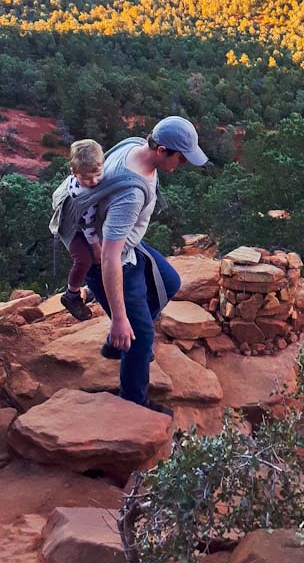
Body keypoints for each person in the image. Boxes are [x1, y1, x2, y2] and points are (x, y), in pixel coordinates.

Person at [84, 116, 209, 415]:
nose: (183, 164)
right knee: (141, 338)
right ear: (162, 149)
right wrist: (118, 318)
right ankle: (133, 403)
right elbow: (109, 257)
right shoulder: (131, 192)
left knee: (170, 283)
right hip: (115, 262)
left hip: (128, 247)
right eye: (180, 157)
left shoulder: (135, 146)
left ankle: (123, 343)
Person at [60, 139, 104, 322]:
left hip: (87, 224)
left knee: (101, 255)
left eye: (97, 175)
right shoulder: (81, 194)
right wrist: (96, 248)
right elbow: (87, 226)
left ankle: (93, 290)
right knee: (85, 259)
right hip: (74, 228)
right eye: (86, 178)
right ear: (74, 172)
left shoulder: (93, 174)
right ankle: (71, 294)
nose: (93, 182)